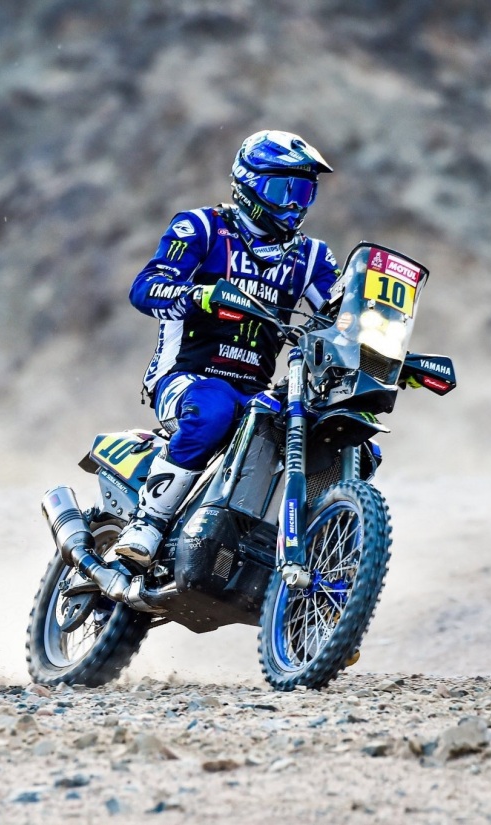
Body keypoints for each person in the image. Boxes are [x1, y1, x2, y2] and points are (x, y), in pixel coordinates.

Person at [113, 130, 342, 565]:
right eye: (283, 189)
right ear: (248, 184)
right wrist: (197, 294)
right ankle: (148, 522)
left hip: (257, 392)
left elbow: (338, 314)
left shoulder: (312, 257)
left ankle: (316, 550)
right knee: (213, 409)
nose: (295, 204)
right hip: (186, 378)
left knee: (329, 433)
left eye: (304, 192)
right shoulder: (200, 228)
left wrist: (377, 345)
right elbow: (144, 288)